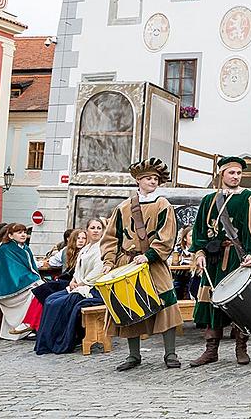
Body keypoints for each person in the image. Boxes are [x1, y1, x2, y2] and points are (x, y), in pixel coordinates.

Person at [100, 158, 183, 371]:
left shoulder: (163, 204)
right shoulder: (123, 207)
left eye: (155, 178)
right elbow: (111, 237)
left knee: (167, 305)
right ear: (138, 181)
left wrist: (150, 255)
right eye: (148, 178)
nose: (152, 182)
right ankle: (133, 355)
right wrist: (109, 262)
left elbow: (167, 235)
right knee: (131, 305)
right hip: (127, 262)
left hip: (153, 263)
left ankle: (170, 353)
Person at [189, 156, 251, 366]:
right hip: (213, 260)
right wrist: (200, 253)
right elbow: (199, 231)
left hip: (237, 258)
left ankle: (241, 348)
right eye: (231, 172)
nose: (235, 176)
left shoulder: (249, 198)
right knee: (211, 303)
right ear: (221, 174)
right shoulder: (209, 200)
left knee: (240, 303)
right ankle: (211, 350)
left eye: (239, 173)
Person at [35, 218, 106, 354]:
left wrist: (81, 283)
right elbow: (77, 270)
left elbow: (97, 272)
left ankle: (59, 342)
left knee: (58, 304)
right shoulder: (85, 249)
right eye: (93, 228)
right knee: (50, 299)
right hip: (77, 286)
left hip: (91, 289)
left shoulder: (102, 249)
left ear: (102, 231)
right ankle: (45, 342)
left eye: (98, 228)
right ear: (87, 230)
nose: (96, 231)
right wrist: (73, 281)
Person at [13, 228, 88, 336]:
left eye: (83, 238)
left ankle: (33, 325)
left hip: (75, 283)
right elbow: (52, 261)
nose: (81, 240)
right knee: (42, 289)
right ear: (72, 240)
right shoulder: (66, 250)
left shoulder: (87, 252)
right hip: (66, 280)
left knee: (45, 290)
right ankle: (33, 324)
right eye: (78, 238)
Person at [0, 224, 43, 340]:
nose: (23, 234)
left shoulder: (25, 248)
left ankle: (34, 326)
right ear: (10, 235)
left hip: (23, 286)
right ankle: (29, 325)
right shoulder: (4, 250)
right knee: (38, 293)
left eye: (24, 232)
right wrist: (33, 281)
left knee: (44, 291)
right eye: (19, 232)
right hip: (10, 290)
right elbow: (11, 273)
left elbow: (30, 268)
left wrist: (36, 280)